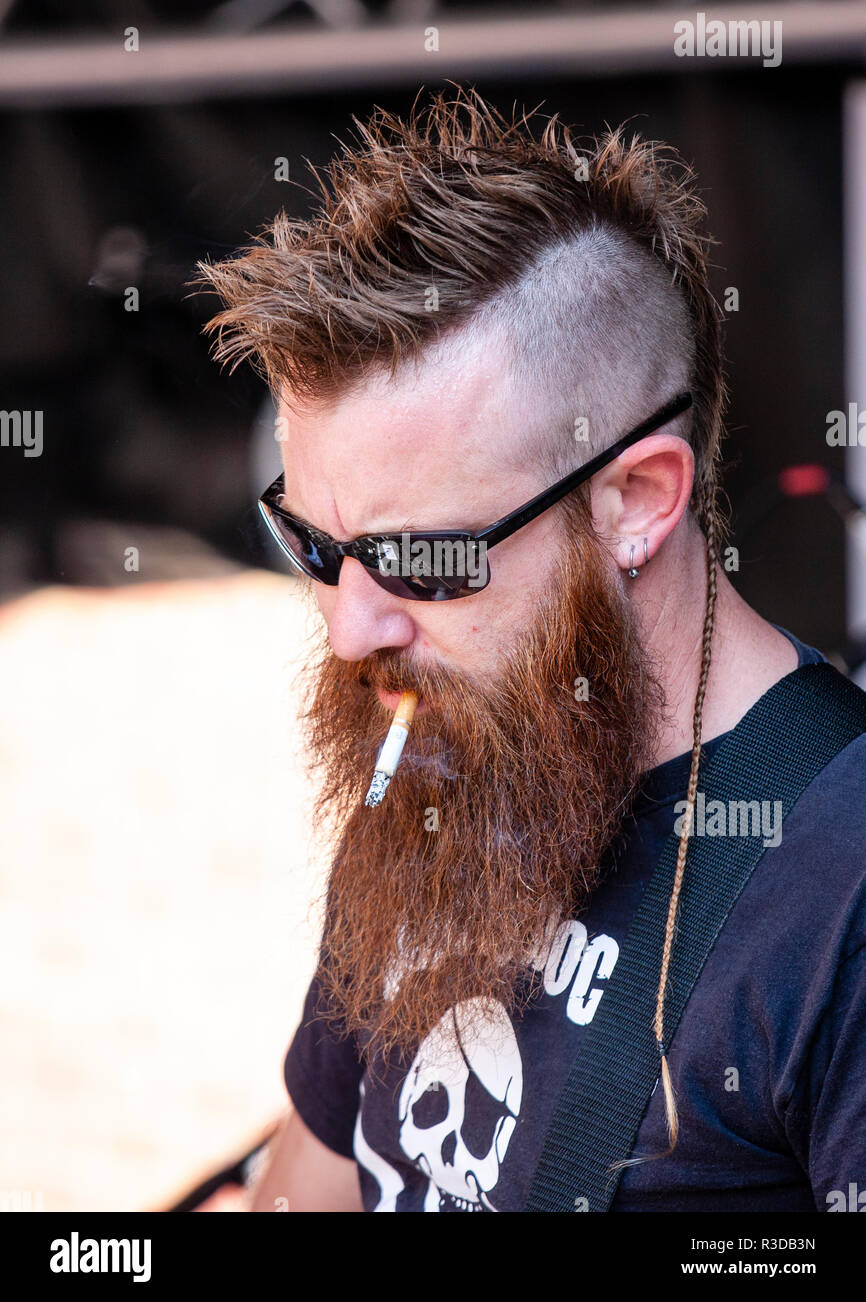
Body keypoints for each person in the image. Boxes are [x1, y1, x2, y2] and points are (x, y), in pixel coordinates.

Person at [197, 89, 866, 1213]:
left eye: (420, 558)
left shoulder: (836, 891)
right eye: (313, 544)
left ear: (633, 502)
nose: (351, 626)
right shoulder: (444, 748)